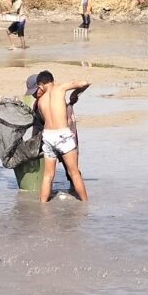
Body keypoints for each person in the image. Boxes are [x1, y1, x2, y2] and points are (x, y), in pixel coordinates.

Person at [35, 70, 90, 203]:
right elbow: (84, 82)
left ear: (41, 85)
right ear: (51, 81)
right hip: (62, 135)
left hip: (47, 136)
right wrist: (75, 94)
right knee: (74, 173)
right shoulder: (60, 88)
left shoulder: (40, 101)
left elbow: (45, 119)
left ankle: (43, 206)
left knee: (48, 176)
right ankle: (85, 205)